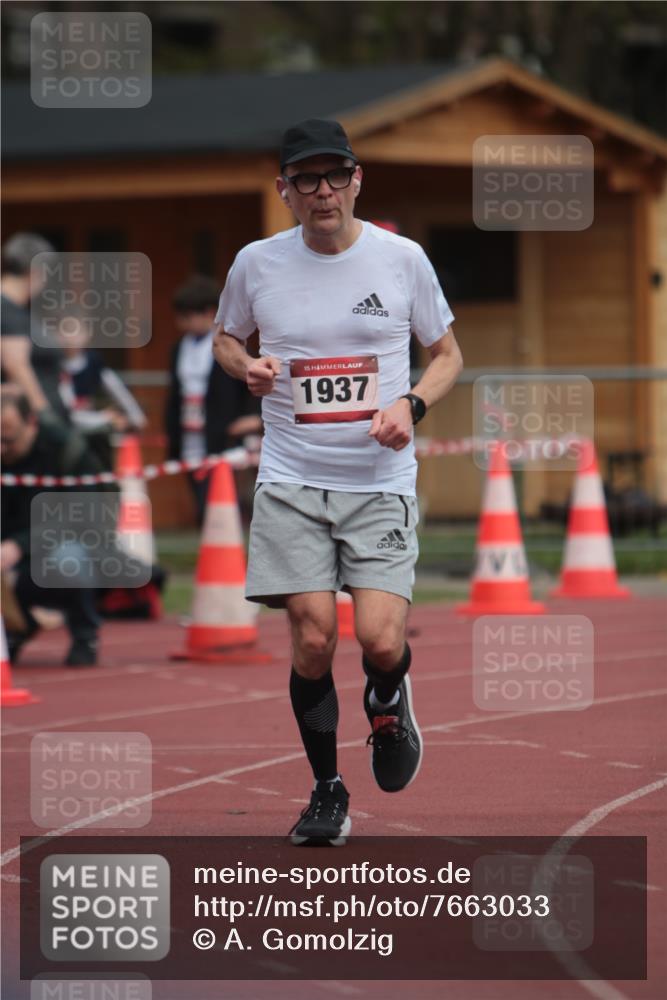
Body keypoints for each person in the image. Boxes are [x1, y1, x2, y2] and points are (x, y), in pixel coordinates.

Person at [213, 119, 463, 846]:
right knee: (313, 638)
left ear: (357, 180)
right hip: (291, 478)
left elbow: (446, 356)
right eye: (306, 179)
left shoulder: (401, 259)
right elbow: (227, 339)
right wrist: (246, 368)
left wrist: (409, 404)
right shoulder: (255, 265)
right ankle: (326, 789)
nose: (322, 192)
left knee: (380, 639)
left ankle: (387, 701)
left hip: (378, 479)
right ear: (284, 190)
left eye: (334, 175)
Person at [1, 387, 103, 666]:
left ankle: (85, 635)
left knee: (69, 558)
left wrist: (20, 545)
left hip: (61, 545)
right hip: (9, 551)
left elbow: (84, 516)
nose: (2, 449)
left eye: (9, 440)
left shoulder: (67, 450)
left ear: (31, 422)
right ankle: (17, 627)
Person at [165, 275, 262, 525]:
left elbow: (251, 384)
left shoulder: (229, 346)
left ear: (209, 312)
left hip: (223, 432)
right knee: (199, 494)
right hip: (190, 431)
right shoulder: (179, 349)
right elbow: (175, 394)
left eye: (189, 316)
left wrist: (253, 419)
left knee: (223, 495)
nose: (183, 323)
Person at [1, 232, 69, 424]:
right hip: (30, 424)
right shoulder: (6, 310)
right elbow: (16, 366)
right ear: (35, 270)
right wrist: (46, 417)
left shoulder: (15, 310)